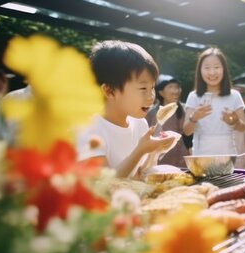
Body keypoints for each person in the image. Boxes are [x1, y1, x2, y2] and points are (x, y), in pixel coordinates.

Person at [76, 40, 179, 178]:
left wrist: (154, 150)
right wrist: (140, 150)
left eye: (152, 87)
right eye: (143, 88)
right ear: (109, 91)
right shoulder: (88, 129)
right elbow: (104, 186)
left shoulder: (140, 124)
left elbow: (140, 176)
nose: (151, 97)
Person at [183, 47, 245, 155]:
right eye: (207, 68)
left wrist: (235, 121)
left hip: (227, 154)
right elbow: (187, 131)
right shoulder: (193, 96)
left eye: (216, 67)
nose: (212, 72)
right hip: (201, 156)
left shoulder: (234, 95)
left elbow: (243, 127)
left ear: (224, 69)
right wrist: (194, 118)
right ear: (200, 71)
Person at [145, 76, 192, 167]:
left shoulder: (185, 109)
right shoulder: (151, 112)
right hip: (159, 157)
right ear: (161, 92)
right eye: (171, 87)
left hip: (181, 157)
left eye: (177, 87)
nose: (175, 91)